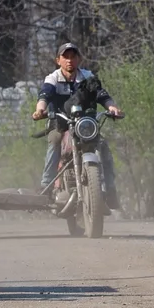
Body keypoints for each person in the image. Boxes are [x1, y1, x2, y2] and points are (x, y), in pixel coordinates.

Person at [31, 42, 123, 210]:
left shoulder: (88, 77)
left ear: (79, 59)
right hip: (60, 125)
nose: (69, 60)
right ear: (58, 60)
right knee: (54, 141)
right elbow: (45, 94)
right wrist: (40, 110)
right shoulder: (53, 78)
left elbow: (102, 95)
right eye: (65, 57)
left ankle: (110, 191)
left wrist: (112, 107)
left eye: (73, 56)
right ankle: (46, 186)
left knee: (103, 146)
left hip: (85, 127)